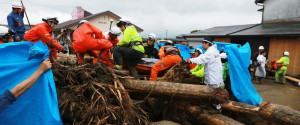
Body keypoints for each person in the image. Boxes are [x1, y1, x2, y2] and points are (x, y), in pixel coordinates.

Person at [184, 37, 223, 109]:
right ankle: (214, 106)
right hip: (214, 76)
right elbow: (202, 57)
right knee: (213, 92)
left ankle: (217, 109)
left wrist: (189, 61)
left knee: (215, 93)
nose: (202, 45)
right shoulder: (213, 51)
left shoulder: (210, 52)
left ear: (207, 43)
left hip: (213, 77)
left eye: (203, 43)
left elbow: (201, 59)